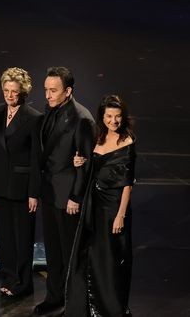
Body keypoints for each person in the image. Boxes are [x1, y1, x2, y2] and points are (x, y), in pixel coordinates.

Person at [65, 95, 136, 317]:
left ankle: (111, 309)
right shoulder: (98, 137)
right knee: (90, 256)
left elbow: (127, 184)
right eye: (109, 116)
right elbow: (95, 168)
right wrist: (81, 163)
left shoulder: (128, 142)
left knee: (111, 261)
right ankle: (88, 307)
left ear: (123, 117)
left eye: (117, 116)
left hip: (113, 208)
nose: (113, 121)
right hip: (92, 205)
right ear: (102, 117)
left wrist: (121, 215)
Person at [35, 66, 96, 316]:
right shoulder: (50, 112)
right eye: (46, 90)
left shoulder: (82, 118)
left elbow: (86, 162)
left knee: (71, 254)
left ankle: (74, 304)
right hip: (50, 193)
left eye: (53, 90)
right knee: (53, 252)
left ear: (68, 91)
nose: (48, 95)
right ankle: (54, 297)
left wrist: (75, 196)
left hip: (67, 198)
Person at [0, 67, 43, 298]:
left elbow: (37, 159)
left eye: (14, 92)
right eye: (6, 90)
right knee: (5, 237)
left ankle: (23, 283)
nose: (9, 95)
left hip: (22, 186)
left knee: (22, 238)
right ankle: (8, 277)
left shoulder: (34, 118)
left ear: (23, 93)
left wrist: (34, 193)